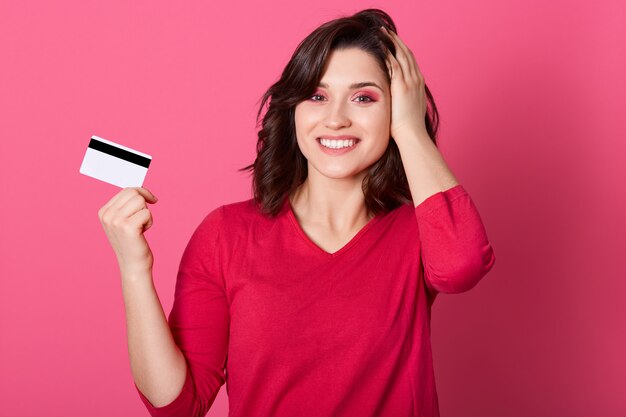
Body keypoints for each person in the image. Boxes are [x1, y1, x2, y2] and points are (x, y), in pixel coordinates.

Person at [98, 8, 496, 417]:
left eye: (364, 97)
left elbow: (461, 268)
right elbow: (178, 406)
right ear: (293, 111)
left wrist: (410, 129)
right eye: (317, 96)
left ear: (396, 110)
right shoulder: (225, 235)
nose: (337, 119)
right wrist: (134, 268)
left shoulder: (419, 231)